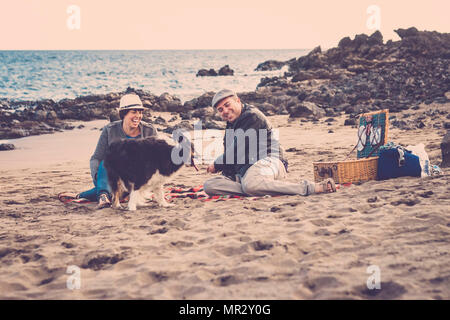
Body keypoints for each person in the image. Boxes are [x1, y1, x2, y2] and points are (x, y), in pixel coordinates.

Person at [203, 89, 336, 197]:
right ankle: (257, 187)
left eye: (227, 105)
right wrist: (226, 173)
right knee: (210, 186)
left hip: (269, 161)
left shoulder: (251, 116)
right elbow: (231, 157)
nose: (225, 111)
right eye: (220, 109)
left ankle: (312, 187)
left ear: (238, 101)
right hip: (246, 171)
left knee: (251, 185)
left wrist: (216, 164)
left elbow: (237, 150)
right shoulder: (231, 126)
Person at [60, 93, 158, 208]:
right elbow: (96, 157)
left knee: (108, 183)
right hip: (114, 177)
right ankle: (103, 195)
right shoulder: (110, 130)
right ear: (124, 113)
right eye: (134, 112)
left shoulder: (149, 131)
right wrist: (97, 177)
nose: (138, 116)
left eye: (140, 112)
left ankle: (86, 194)